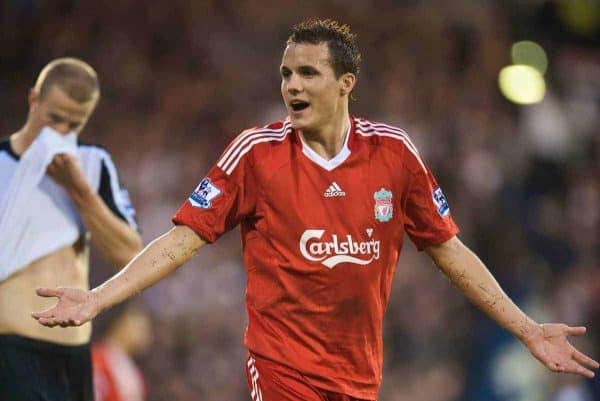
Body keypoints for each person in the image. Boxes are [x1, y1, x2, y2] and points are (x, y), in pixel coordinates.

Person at [33, 20, 598, 401]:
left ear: (345, 83)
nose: (292, 86)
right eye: (286, 74)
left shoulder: (395, 154)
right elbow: (181, 240)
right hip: (281, 371)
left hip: (359, 378)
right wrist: (97, 298)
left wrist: (526, 329)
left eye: (308, 74)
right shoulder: (255, 153)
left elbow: (449, 252)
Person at [0, 58, 142, 401]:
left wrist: (78, 190)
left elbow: (129, 254)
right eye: (54, 118)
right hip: (10, 352)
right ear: (34, 100)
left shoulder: (94, 166)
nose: (61, 132)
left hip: (74, 360)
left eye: (73, 124)